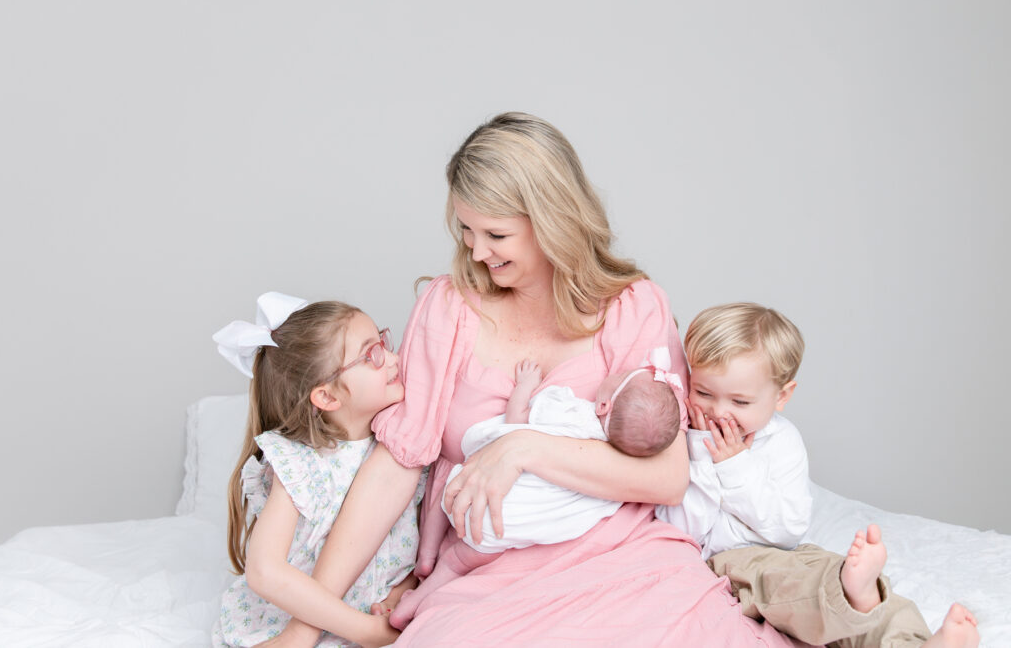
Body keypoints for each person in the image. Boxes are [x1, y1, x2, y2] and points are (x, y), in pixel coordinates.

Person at [266, 112, 816, 646]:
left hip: (622, 559)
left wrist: (524, 448)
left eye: (497, 234)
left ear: (552, 219)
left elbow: (667, 477)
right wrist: (308, 623)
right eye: (466, 231)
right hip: (483, 574)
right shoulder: (448, 307)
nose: (477, 253)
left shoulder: (633, 309)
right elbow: (394, 467)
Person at [657, 302, 980, 648]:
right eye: (703, 393)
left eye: (740, 402)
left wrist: (736, 466)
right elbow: (681, 528)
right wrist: (710, 460)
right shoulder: (683, 435)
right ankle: (848, 593)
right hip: (731, 563)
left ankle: (911, 640)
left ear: (781, 396)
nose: (719, 412)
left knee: (854, 583)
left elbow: (788, 530)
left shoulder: (783, 442)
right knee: (798, 589)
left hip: (788, 554)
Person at [211, 292, 425, 647]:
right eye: (372, 354)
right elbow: (265, 572)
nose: (393, 358)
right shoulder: (302, 463)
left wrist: (402, 591)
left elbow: (413, 550)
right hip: (308, 627)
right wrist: (364, 630)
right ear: (326, 397)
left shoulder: (403, 445)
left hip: (383, 619)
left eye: (383, 342)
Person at [443, 350, 681, 553]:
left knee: (451, 485)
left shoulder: (571, 413)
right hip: (514, 528)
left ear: (603, 405)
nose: (615, 372)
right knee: (468, 550)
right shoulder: (610, 459)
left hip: (486, 504)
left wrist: (525, 386)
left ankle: (428, 555)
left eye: (620, 376)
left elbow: (516, 420)